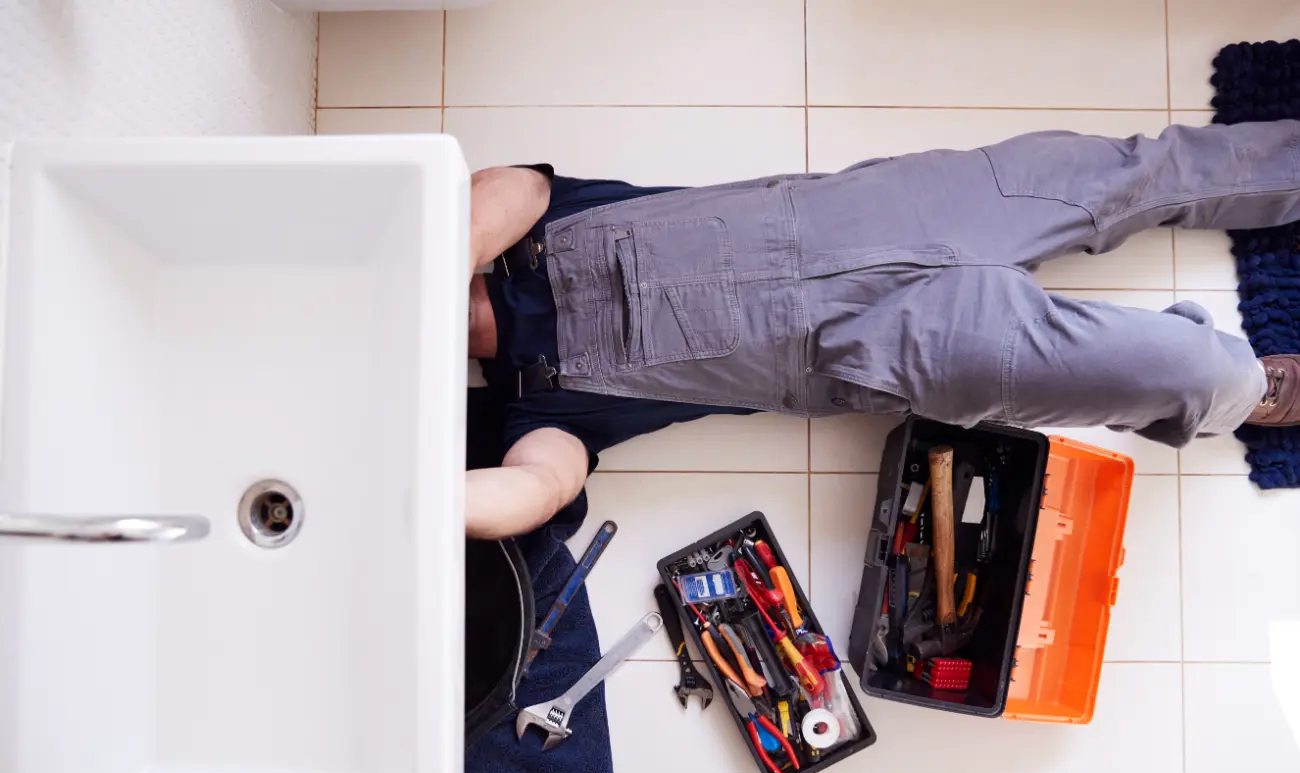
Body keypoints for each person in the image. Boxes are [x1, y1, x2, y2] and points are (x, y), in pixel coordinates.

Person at [466, 121, 1300, 540]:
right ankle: (1257, 390)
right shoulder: (545, 414)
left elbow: (488, 198)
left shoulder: (529, 215)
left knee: (1135, 173)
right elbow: (537, 491)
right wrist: (414, 500)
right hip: (906, 339)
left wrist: (420, 276)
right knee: (1193, 372)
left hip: (908, 206)